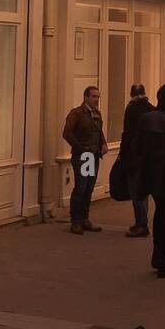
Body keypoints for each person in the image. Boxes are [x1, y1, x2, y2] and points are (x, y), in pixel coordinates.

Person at [132, 83, 165, 278]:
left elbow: (137, 146)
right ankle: (163, 260)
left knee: (159, 214)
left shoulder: (146, 119)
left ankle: (158, 256)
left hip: (151, 173)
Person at [62, 86, 106, 235]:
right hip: (83, 156)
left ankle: (84, 218)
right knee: (81, 187)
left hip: (93, 155)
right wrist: (80, 148)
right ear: (86, 97)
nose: (96, 100)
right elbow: (67, 133)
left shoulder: (97, 114)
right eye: (94, 96)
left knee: (89, 187)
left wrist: (103, 143)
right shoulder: (77, 114)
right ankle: (75, 220)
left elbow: (99, 131)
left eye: (98, 97)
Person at [118, 84, 154, 238]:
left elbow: (127, 134)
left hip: (133, 157)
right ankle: (142, 220)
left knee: (135, 191)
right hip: (146, 156)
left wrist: (122, 153)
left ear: (132, 94)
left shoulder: (131, 109)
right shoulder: (151, 108)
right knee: (143, 191)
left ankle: (141, 224)